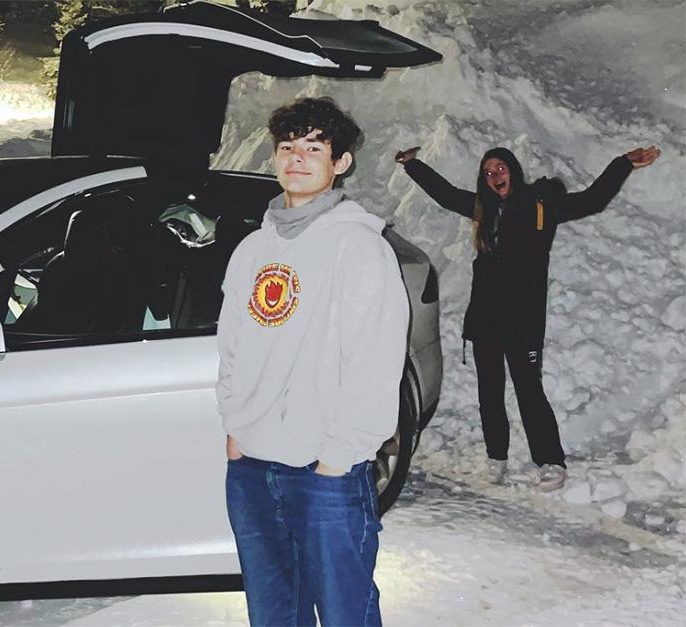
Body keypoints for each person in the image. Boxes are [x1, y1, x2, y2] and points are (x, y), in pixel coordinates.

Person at [217, 97, 409, 627]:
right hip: (253, 468)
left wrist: (340, 458)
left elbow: (375, 359)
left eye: (314, 147)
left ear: (340, 163)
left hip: (325, 473)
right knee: (274, 612)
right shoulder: (252, 250)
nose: (297, 158)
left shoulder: (360, 248)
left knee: (346, 613)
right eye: (287, 147)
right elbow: (231, 342)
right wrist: (236, 426)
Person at [394, 143, 660, 490]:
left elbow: (593, 199)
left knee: (529, 391)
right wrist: (413, 166)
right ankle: (496, 457)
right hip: (486, 320)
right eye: (488, 172)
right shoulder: (483, 209)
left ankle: (551, 461)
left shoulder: (541, 205)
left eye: (500, 168)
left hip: (523, 321)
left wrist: (622, 164)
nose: (494, 176)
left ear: (513, 171)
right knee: (489, 392)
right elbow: (445, 195)